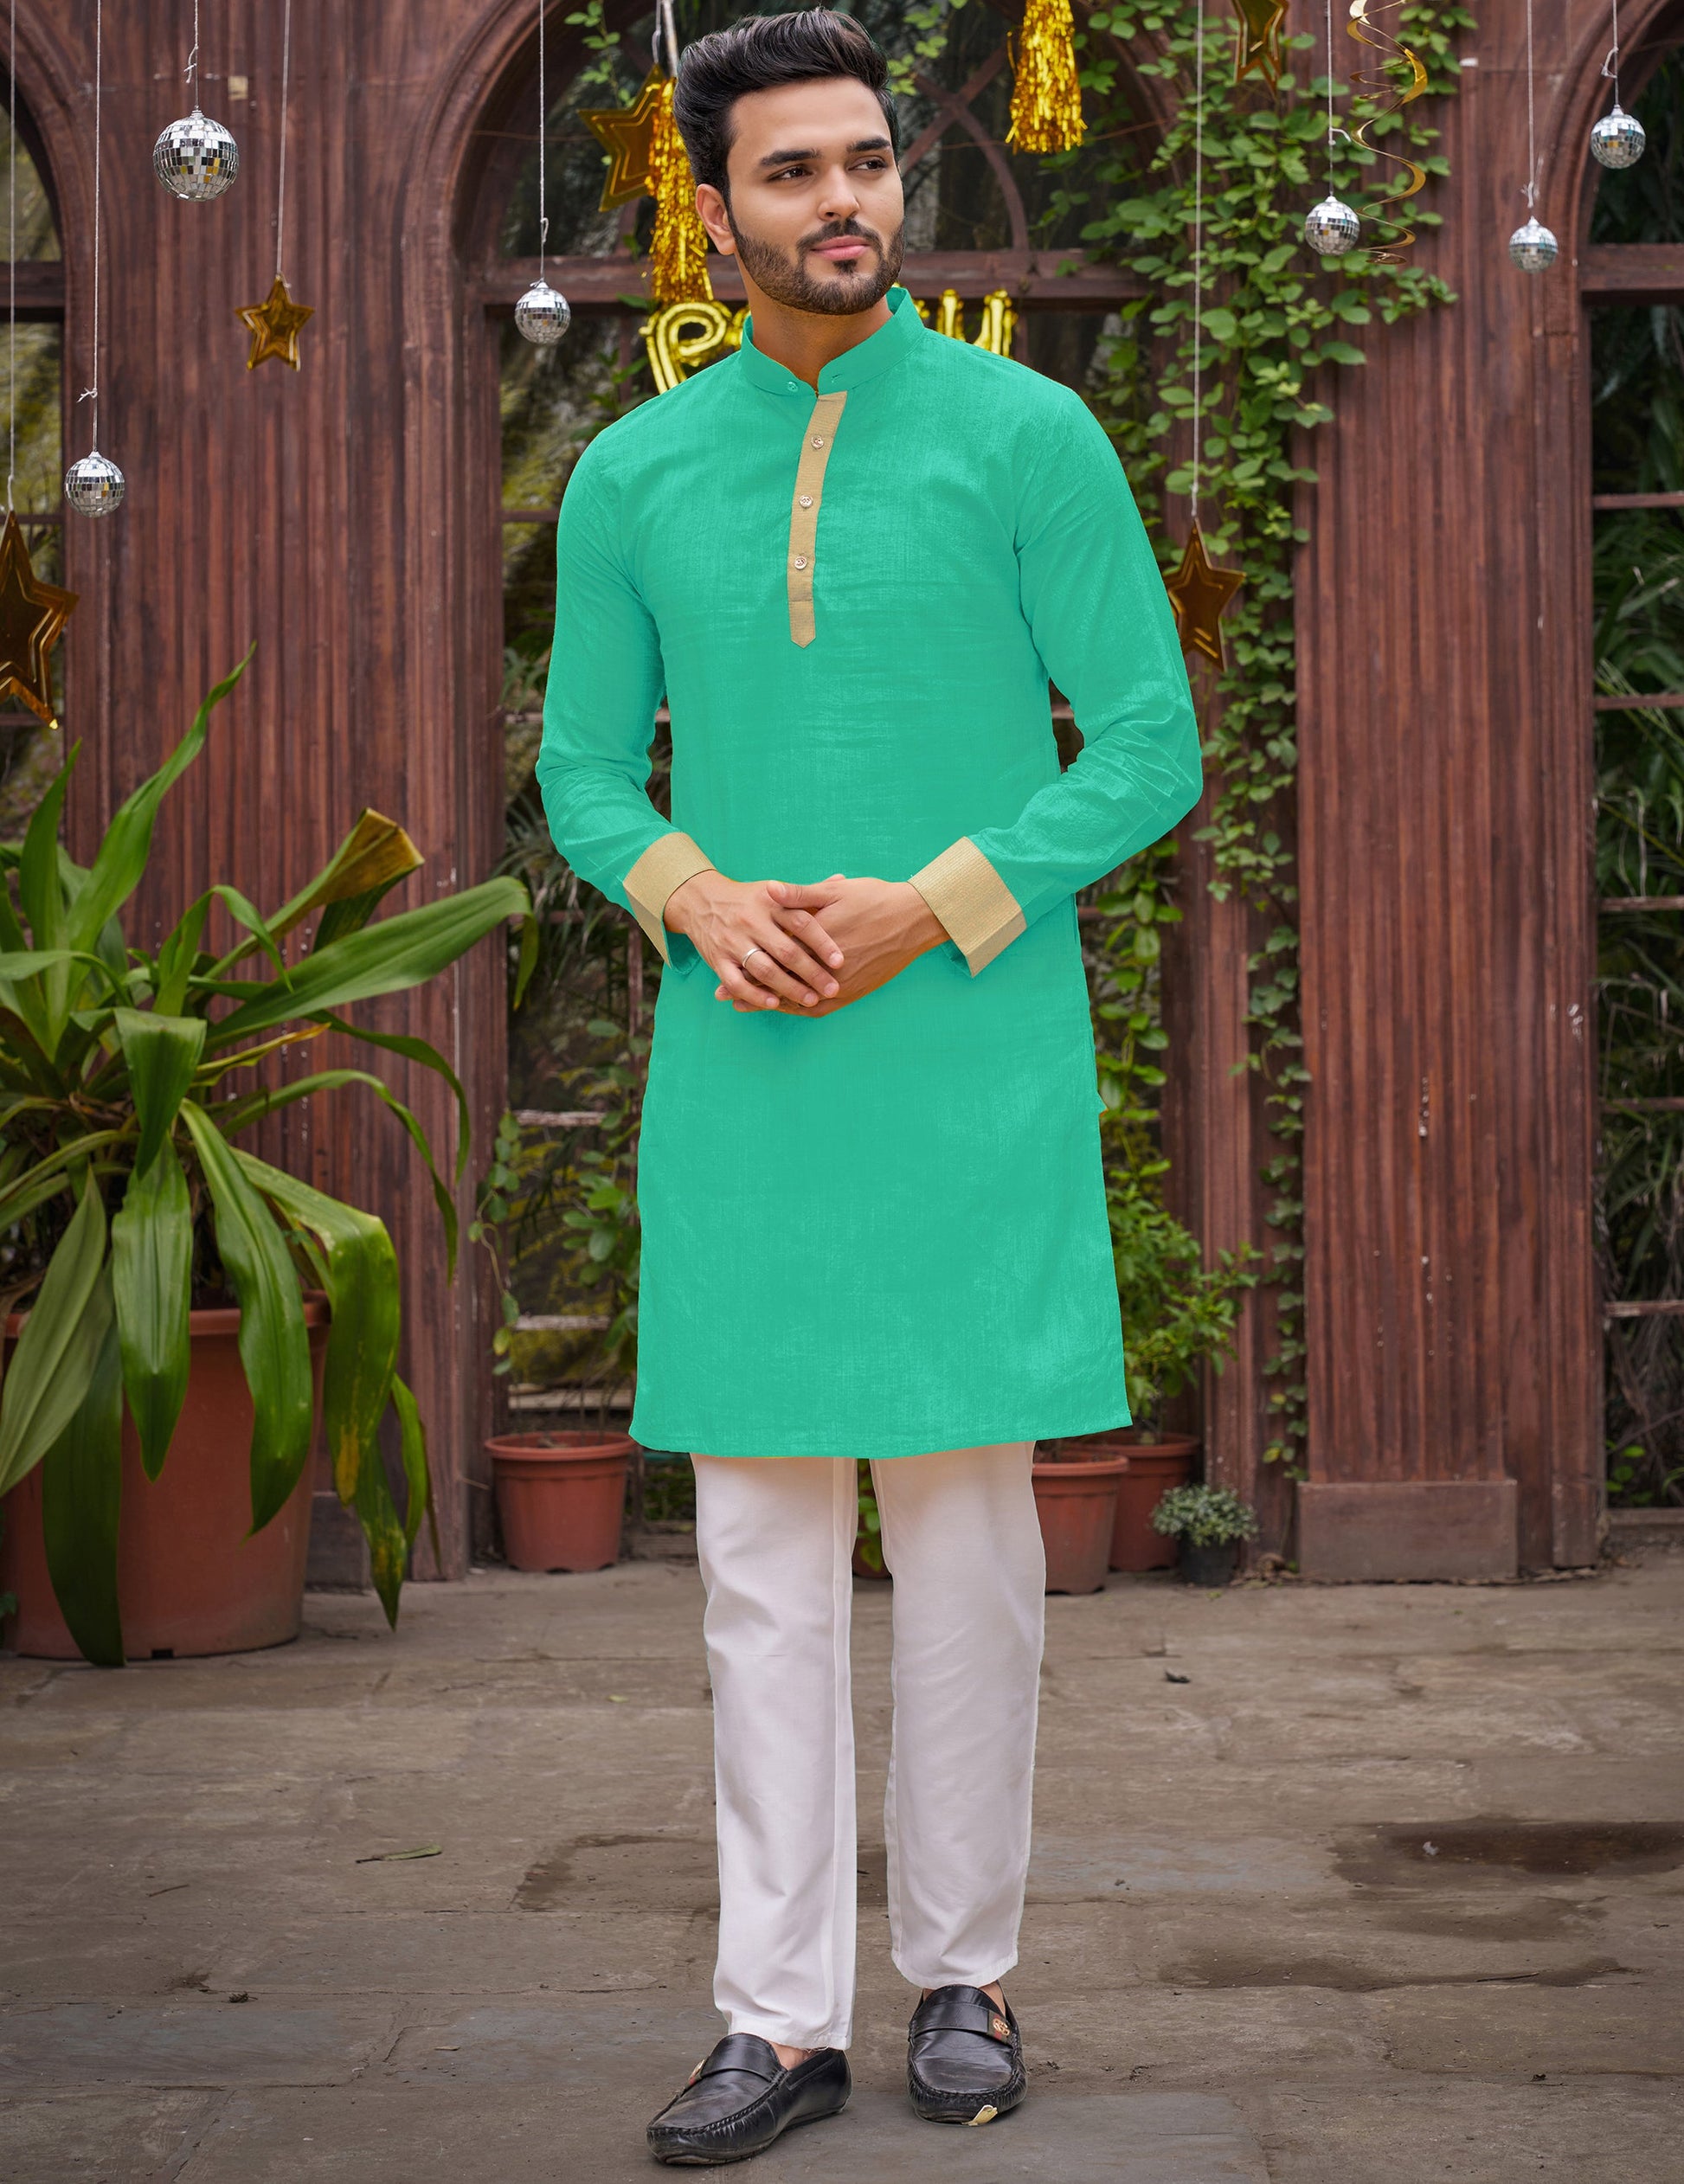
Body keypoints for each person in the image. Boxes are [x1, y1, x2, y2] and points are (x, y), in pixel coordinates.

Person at [537, 10, 1201, 2164]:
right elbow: (578, 769)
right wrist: (692, 893)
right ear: (712, 206)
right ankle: (773, 2015)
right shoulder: (634, 474)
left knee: (971, 1546)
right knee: (755, 1557)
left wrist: (938, 902)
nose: (844, 202)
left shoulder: (1028, 437)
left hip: (964, 1053)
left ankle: (966, 1975)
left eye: (866, 162)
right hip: (746, 1058)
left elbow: (1149, 745)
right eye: (793, 171)